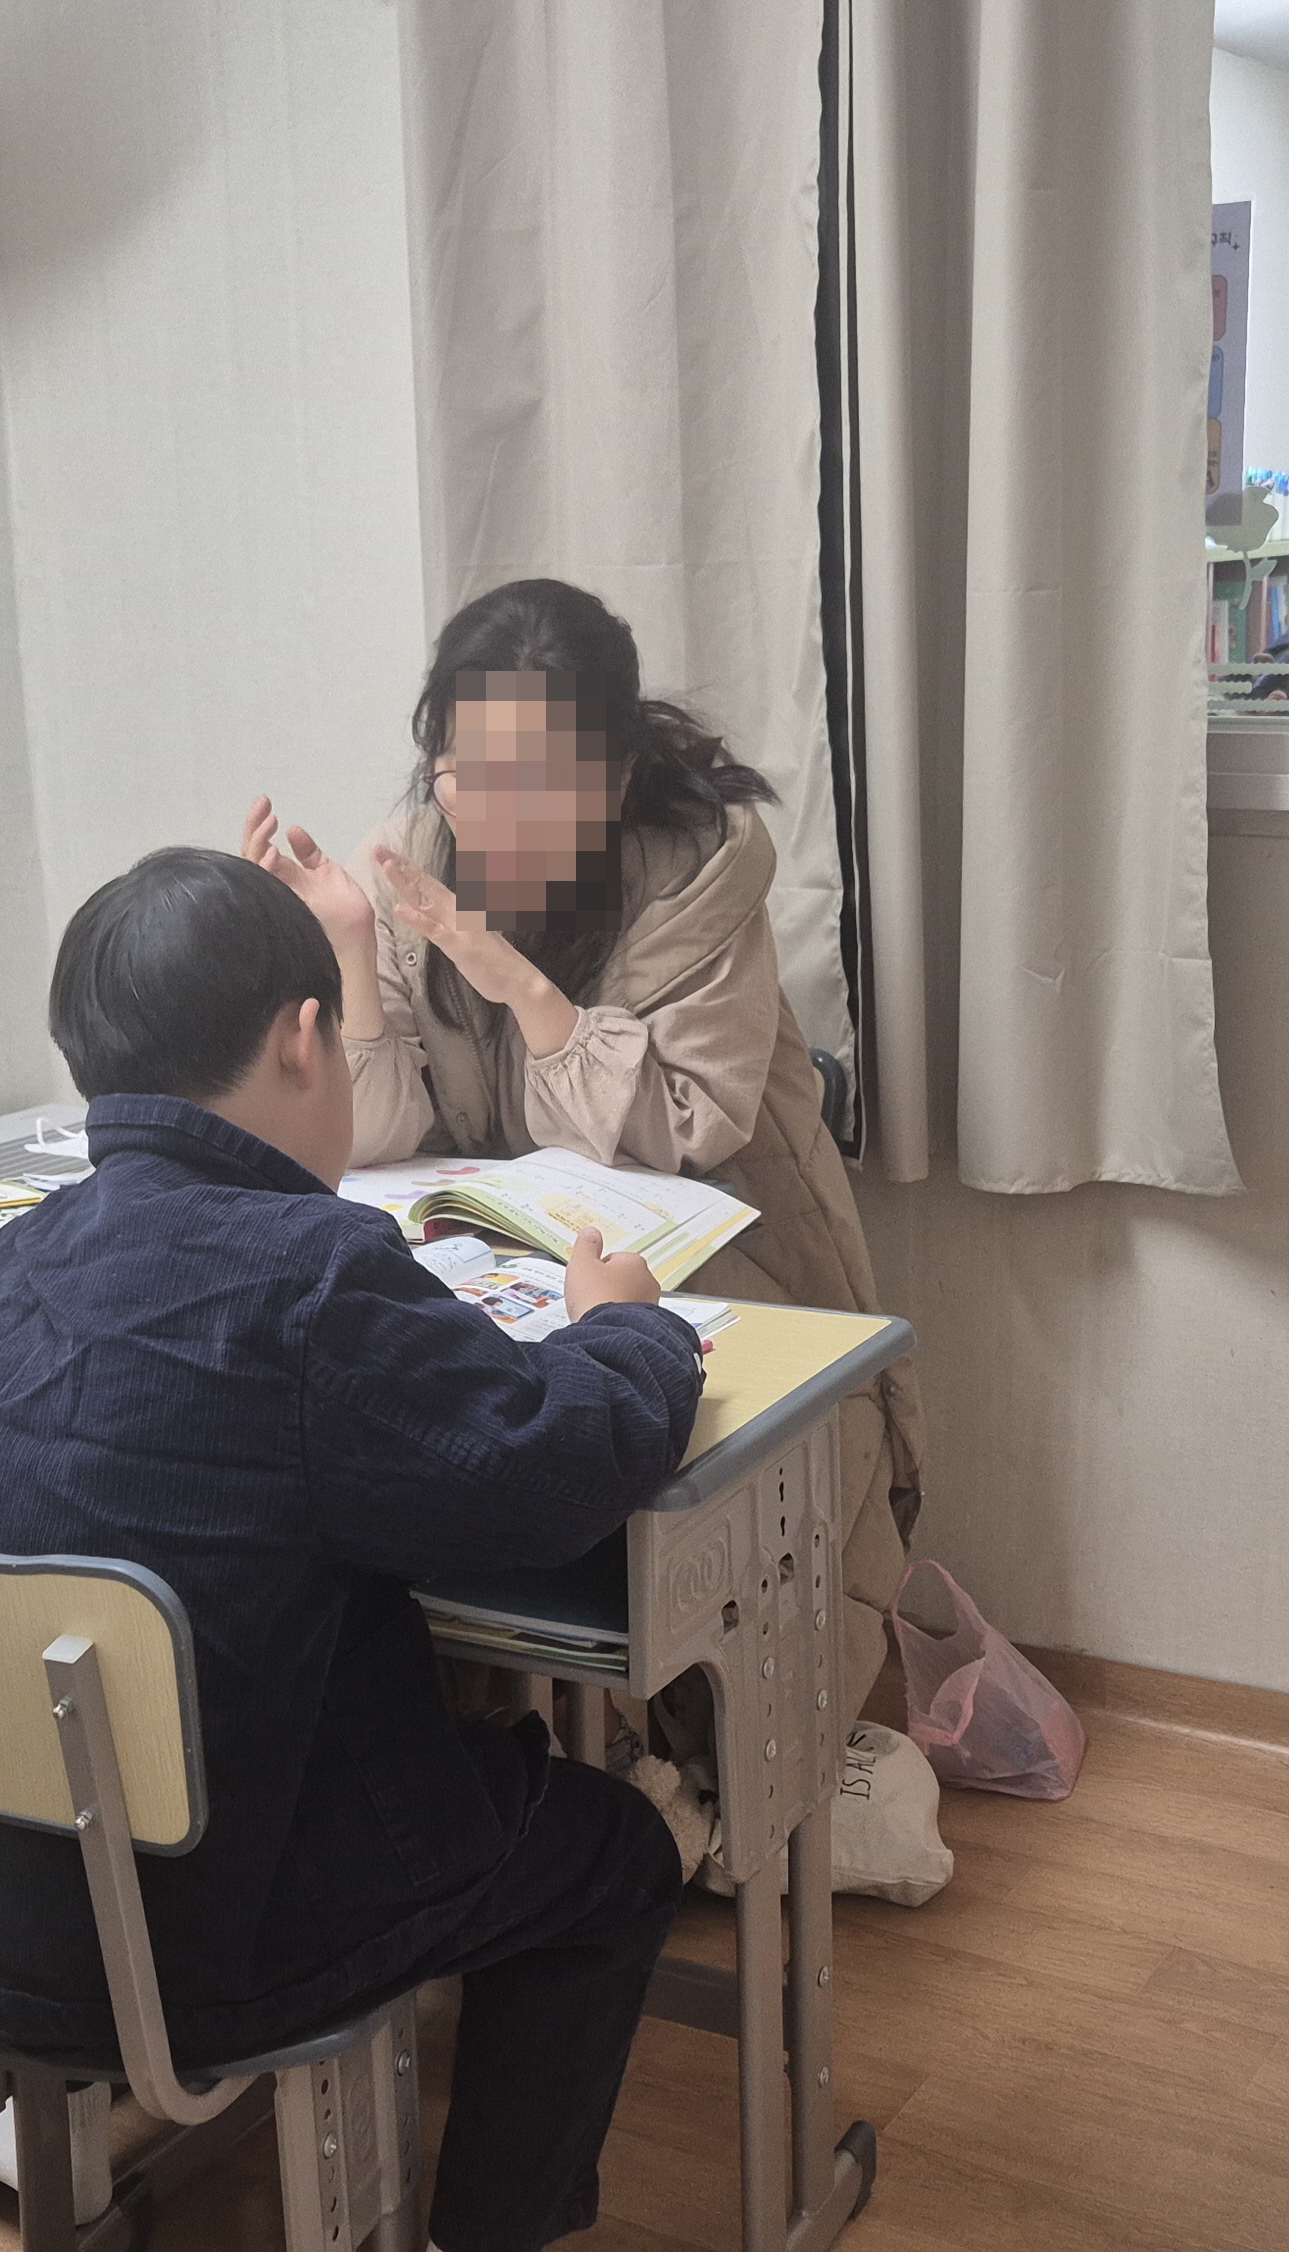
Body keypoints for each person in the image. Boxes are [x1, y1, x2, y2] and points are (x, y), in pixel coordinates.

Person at [0, 846, 700, 2252]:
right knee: (613, 1852)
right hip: (172, 1949)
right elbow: (549, 1480)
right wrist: (628, 1327)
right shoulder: (313, 1275)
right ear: (303, 1037)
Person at [238, 576, 922, 1720]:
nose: (498, 817)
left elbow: (691, 1122)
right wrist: (352, 950)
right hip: (509, 1250)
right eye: (470, 775)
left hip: (717, 1233)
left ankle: (713, 1745)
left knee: (696, 1472)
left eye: (541, 782)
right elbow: (377, 1133)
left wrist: (511, 978)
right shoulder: (413, 855)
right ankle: (530, 1737)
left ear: (612, 775)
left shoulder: (699, 866)